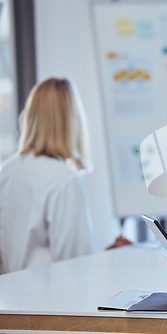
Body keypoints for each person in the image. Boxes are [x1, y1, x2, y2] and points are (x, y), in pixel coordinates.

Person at [0, 78, 94, 274]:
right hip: (49, 299)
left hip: (10, 296)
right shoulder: (66, 179)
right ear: (71, 120)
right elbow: (76, 265)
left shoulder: (6, 170)